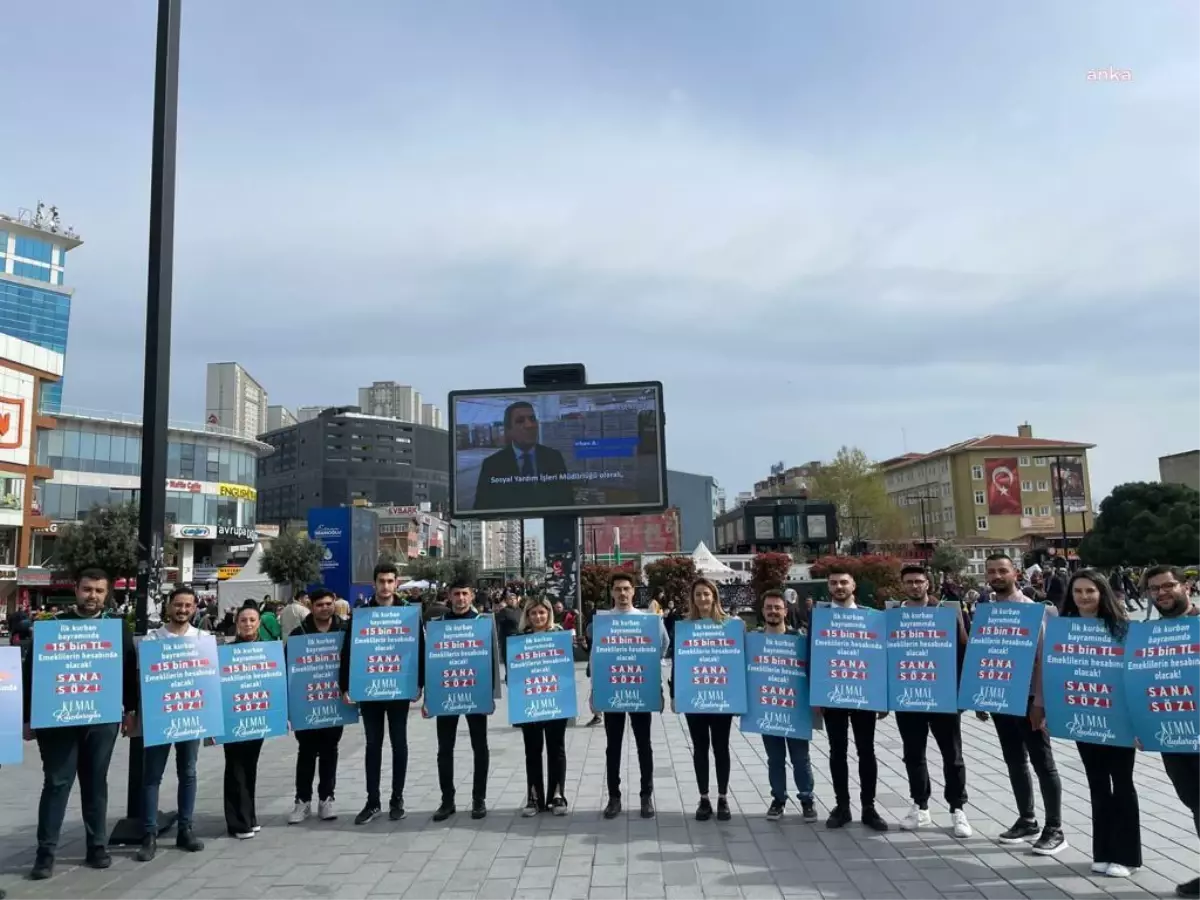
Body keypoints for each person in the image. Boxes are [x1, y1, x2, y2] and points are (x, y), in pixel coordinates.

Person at [22, 568, 138, 881]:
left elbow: (129, 671)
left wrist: (131, 711)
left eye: (99, 591)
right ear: (76, 590)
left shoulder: (116, 628)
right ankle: (45, 854)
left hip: (101, 720)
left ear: (108, 593)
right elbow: (32, 672)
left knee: (95, 782)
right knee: (57, 783)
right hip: (57, 720)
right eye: (87, 589)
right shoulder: (53, 626)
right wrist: (26, 717)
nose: (93, 596)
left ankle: (97, 846)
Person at [1057, 569, 1139, 878]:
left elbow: (1134, 674)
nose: (1084, 597)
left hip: (1119, 718)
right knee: (1096, 784)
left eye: (1090, 591)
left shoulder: (1123, 628)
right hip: (1084, 716)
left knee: (1122, 783)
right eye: (1078, 591)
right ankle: (1103, 851)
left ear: (1102, 593)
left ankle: (1127, 856)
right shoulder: (1063, 629)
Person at [984, 553, 1066, 855]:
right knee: (1014, 760)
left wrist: (1040, 703)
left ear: (1015, 573)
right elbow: (985, 655)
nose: (997, 576)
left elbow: (1045, 659)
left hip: (1030, 697)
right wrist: (981, 694)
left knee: (1043, 763)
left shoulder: (1036, 611)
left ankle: (1054, 827)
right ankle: (1027, 818)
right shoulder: (988, 611)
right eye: (991, 571)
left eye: (1002, 571)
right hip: (1001, 696)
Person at [339, 562, 424, 824]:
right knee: (373, 745)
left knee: (400, 745)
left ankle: (397, 799)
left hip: (399, 690)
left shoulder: (408, 613)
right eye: (381, 581)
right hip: (370, 690)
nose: (386, 586)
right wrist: (345, 686)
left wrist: (418, 683)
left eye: (390, 581)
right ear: (374, 584)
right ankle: (372, 801)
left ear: (396, 583)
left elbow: (418, 648)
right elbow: (349, 652)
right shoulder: (362, 614)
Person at [894, 565, 973, 838]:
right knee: (913, 755)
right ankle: (921, 805)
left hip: (943, 696)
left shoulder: (947, 614)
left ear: (928, 584)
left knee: (952, 756)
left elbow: (964, 652)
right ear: (902, 586)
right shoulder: (893, 616)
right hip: (908, 696)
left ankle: (957, 808)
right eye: (909, 582)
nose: (914, 586)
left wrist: (963, 694)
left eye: (919, 581)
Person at [589, 572, 670, 819]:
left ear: (633, 592)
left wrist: (650, 669)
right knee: (612, 747)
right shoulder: (602, 622)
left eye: (626, 589)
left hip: (640, 690)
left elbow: (663, 644)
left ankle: (646, 796)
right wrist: (594, 692)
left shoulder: (648, 620)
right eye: (617, 589)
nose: (622, 594)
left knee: (644, 746)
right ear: (611, 593)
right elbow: (595, 656)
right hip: (612, 690)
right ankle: (614, 797)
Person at [1142, 565, 1200, 896]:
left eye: (1168, 586)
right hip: (1173, 736)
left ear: (1185, 587)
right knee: (1195, 803)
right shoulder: (1149, 634)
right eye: (1155, 589)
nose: (1162, 593)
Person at [137, 587, 206, 862]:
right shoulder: (152, 639)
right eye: (178, 605)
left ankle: (185, 829)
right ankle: (149, 833)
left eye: (188, 605)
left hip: (191, 714)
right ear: (168, 606)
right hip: (160, 716)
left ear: (195, 608)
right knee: (152, 776)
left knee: (188, 772)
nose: (182, 610)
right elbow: (144, 678)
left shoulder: (202, 639)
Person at [424, 579, 500, 821]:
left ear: (472, 595)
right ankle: (447, 800)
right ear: (449, 596)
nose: (460, 599)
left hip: (475, 693)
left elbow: (491, 661)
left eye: (465, 594)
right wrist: (428, 697)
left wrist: (491, 695)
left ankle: (479, 799)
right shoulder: (437, 625)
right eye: (456, 594)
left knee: (480, 747)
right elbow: (431, 663)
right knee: (444, 749)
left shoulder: (482, 623)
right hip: (446, 694)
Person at [819, 567, 888, 832]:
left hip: (864, 693)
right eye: (834, 583)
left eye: (843, 582)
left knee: (866, 751)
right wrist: (816, 695)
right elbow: (814, 654)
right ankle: (842, 805)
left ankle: (869, 807)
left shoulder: (870, 618)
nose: (839, 587)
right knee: (837, 751)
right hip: (832, 693)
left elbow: (879, 656)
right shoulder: (821, 618)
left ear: (853, 585)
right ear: (829, 588)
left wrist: (881, 697)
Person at [670, 578, 735, 822]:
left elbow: (735, 661)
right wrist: (675, 693)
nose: (703, 599)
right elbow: (679, 662)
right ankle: (704, 798)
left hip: (721, 697)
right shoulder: (685, 627)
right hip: (694, 697)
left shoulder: (729, 625)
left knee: (721, 747)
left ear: (714, 597)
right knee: (700, 748)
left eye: (707, 594)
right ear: (693, 598)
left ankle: (723, 797)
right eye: (698, 594)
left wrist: (738, 696)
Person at [756, 589, 818, 823]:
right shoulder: (755, 641)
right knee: (774, 759)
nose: (773, 611)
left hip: (795, 709)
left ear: (785, 610)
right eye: (769, 607)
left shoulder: (800, 641)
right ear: (763, 611)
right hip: (768, 708)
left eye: (777, 607)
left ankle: (807, 799)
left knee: (801, 759)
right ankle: (779, 799)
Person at [287, 588, 347, 824]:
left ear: (334, 603)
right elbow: (289, 668)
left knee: (330, 751)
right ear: (311, 606)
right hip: (307, 704)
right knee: (306, 752)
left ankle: (327, 798)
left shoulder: (344, 630)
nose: (325, 608)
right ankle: (302, 801)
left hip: (334, 703)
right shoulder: (298, 634)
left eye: (328, 604)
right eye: (320, 604)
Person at [515, 595, 570, 816]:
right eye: (533, 613)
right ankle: (534, 797)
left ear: (549, 614)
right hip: (530, 701)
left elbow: (567, 668)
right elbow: (514, 674)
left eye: (542, 612)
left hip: (555, 699)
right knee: (532, 749)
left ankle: (557, 795)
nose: (538, 617)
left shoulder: (559, 635)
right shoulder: (520, 639)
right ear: (527, 616)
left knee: (556, 748)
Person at [472, 400, 574, 511]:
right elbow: (480, 509)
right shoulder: (492, 465)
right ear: (508, 430)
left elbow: (567, 501)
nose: (529, 425)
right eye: (520, 421)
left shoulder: (554, 457)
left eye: (532, 419)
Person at [223, 603, 269, 839]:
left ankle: (249, 815)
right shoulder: (227, 652)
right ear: (237, 624)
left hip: (257, 715)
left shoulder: (266, 651)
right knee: (235, 767)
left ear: (259, 623)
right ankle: (237, 822)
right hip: (234, 717)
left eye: (252, 620)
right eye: (243, 620)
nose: (248, 624)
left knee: (250, 766)